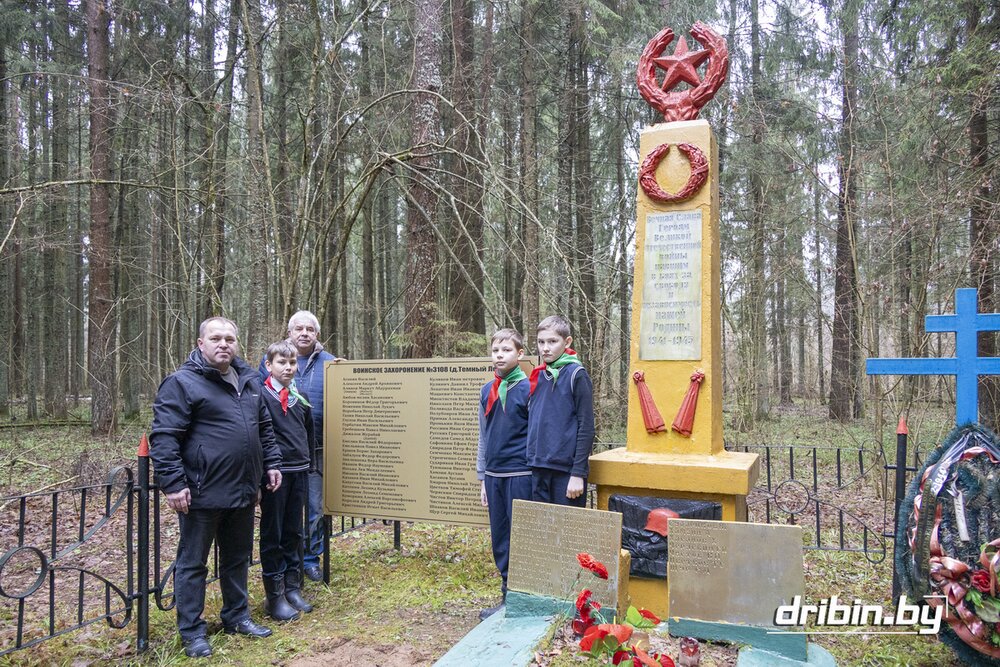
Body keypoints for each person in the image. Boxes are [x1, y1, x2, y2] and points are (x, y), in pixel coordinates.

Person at [150, 317, 283, 659]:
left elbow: (264, 427)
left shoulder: (250, 381)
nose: (223, 344)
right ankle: (192, 632)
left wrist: (271, 463)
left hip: (243, 489)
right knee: (193, 563)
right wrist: (173, 483)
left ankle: (237, 616)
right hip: (200, 492)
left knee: (237, 558)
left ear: (237, 344)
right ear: (200, 344)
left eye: (229, 338)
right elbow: (164, 438)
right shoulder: (182, 383)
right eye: (216, 338)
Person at [259, 310, 341, 582]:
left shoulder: (331, 364)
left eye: (310, 329)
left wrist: (348, 373)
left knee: (314, 510)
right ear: (290, 332)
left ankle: (309, 558)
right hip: (278, 456)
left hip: (314, 450)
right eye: (299, 329)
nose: (304, 333)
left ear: (317, 334)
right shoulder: (268, 363)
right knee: (282, 515)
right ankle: (283, 565)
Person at [476, 328, 531, 621]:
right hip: (494, 476)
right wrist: (482, 476)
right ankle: (507, 594)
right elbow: (483, 436)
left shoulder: (529, 388)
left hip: (521, 474)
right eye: (496, 350)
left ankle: (523, 597)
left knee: (521, 536)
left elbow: (535, 434)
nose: (500, 355)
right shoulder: (487, 390)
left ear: (519, 354)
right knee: (501, 538)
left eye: (506, 350)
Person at [259, 340, 316, 622]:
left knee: (294, 531)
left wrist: (311, 464)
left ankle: (293, 587)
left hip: (299, 471)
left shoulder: (300, 397)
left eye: (292, 363)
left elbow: (308, 431)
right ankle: (274, 594)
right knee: (274, 533)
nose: (288, 368)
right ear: (269, 365)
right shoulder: (260, 397)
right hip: (275, 476)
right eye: (282, 363)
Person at [526, 315, 595, 508]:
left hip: (565, 472)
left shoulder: (576, 375)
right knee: (543, 533)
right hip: (538, 468)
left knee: (566, 534)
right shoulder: (537, 375)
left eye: (552, 341)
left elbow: (586, 427)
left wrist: (578, 473)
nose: (545, 348)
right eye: (541, 342)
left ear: (567, 342)